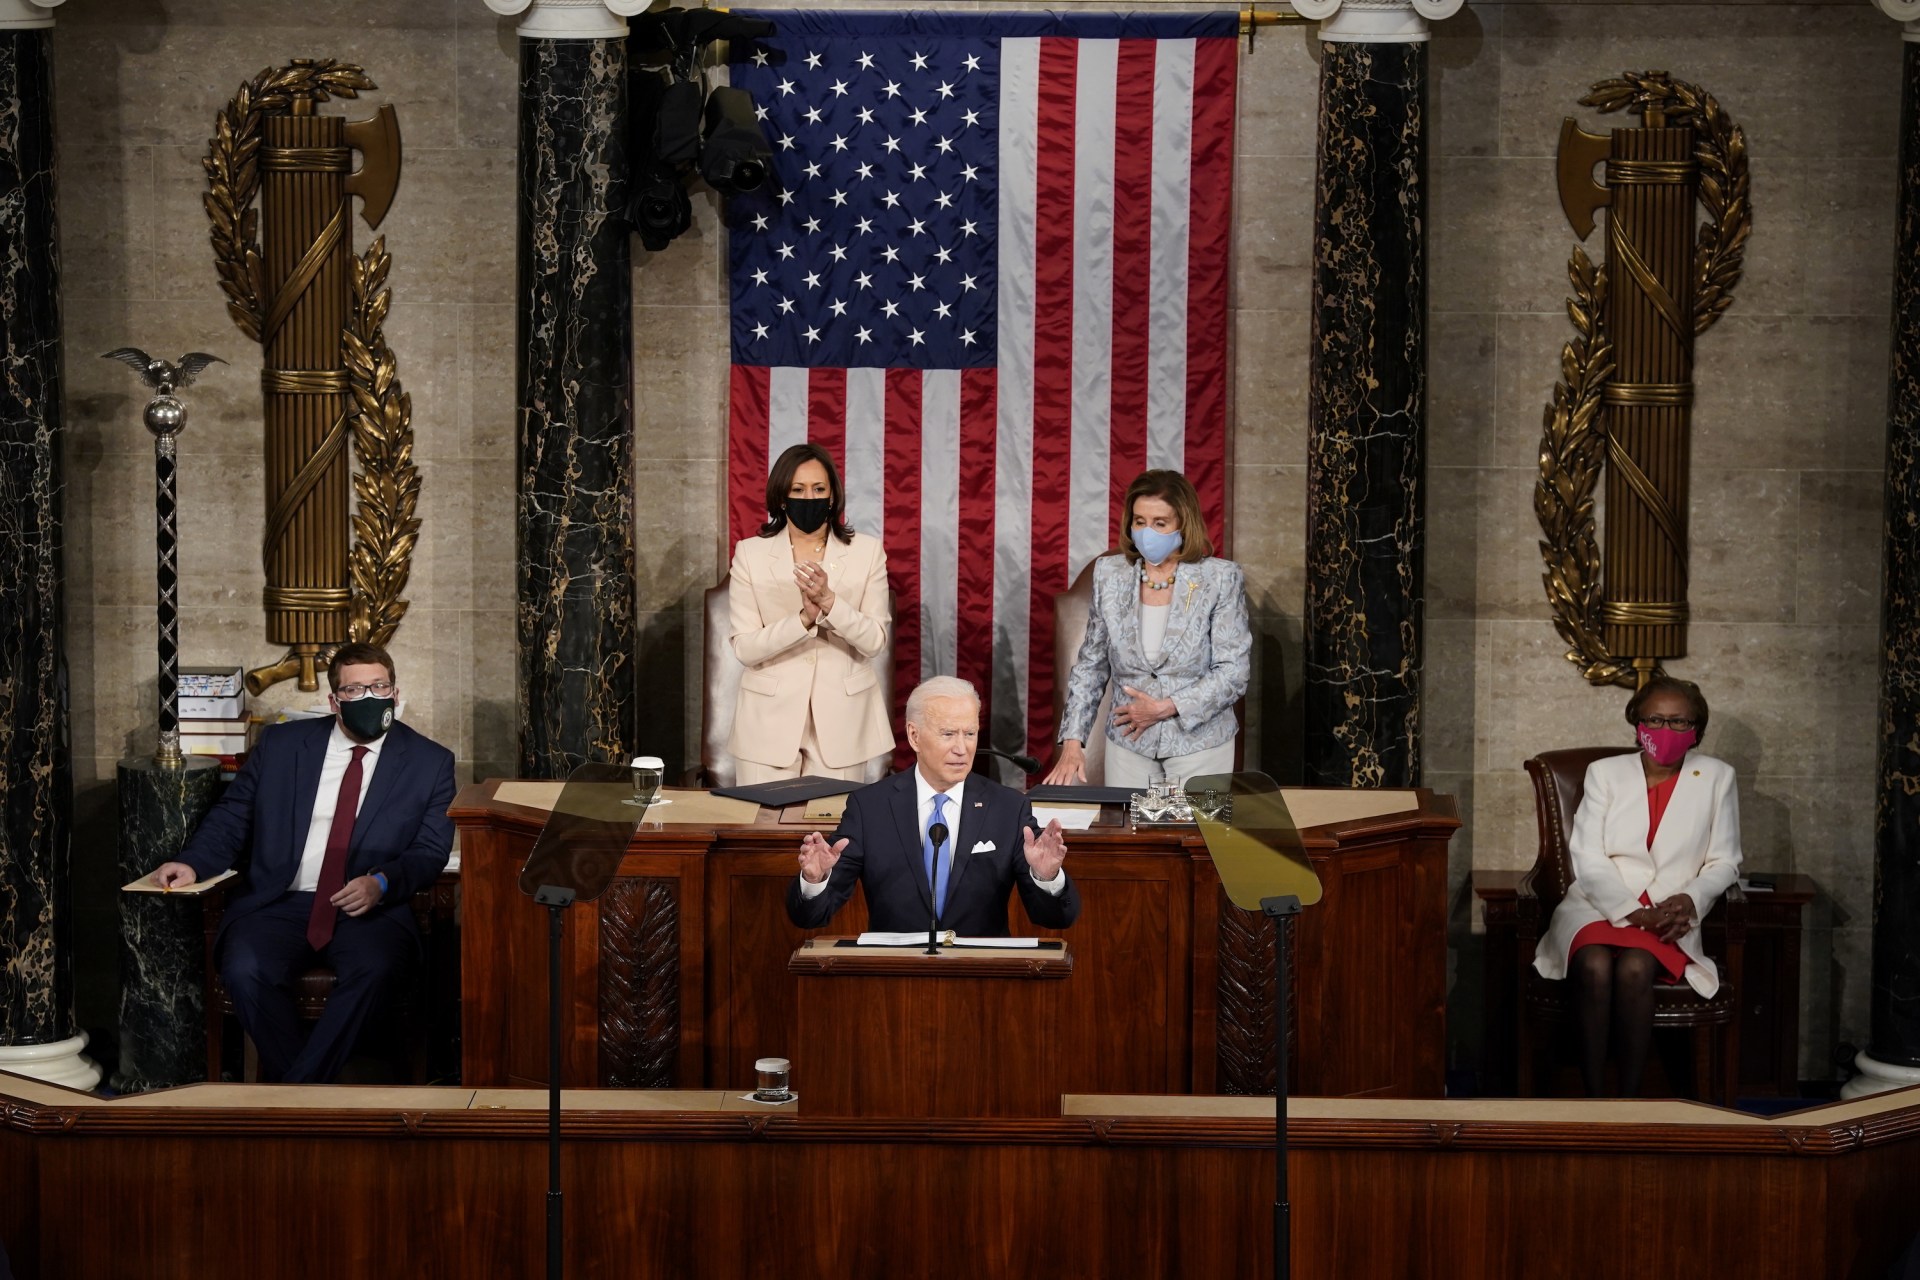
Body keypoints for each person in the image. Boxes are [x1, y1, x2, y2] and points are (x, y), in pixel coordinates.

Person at [150, 642, 456, 1084]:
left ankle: (295, 1095)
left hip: (370, 908)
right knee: (244, 969)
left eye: (379, 686)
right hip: (280, 901)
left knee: (376, 969)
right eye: (354, 690)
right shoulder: (282, 745)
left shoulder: (430, 762)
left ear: (395, 691)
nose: (370, 697)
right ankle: (313, 1093)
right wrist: (193, 864)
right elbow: (234, 816)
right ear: (334, 701)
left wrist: (382, 882)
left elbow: (429, 850)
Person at [1532, 677, 1743, 1097]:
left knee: (1636, 967)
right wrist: (1631, 911)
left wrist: (1690, 900)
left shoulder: (1717, 776)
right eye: (1655, 720)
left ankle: (1628, 1102)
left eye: (1679, 722)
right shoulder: (1605, 773)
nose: (1666, 730)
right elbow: (1588, 856)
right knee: (1593, 964)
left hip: (1669, 913)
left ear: (1697, 729)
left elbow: (1725, 861)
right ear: (1637, 724)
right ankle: (1594, 1099)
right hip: (1598, 904)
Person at [787, 676, 1080, 936]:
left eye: (970, 733)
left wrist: (1047, 877)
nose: (962, 748)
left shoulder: (1008, 808)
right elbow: (811, 916)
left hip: (981, 972)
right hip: (896, 972)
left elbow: (1055, 918)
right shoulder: (870, 808)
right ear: (914, 736)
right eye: (948, 734)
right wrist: (815, 879)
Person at [1042, 469, 1251, 790]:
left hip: (1201, 743)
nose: (1147, 532)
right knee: (1128, 825)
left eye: (1160, 523)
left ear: (1184, 524)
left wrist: (1164, 707)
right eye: (1140, 522)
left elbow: (1233, 672)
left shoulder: (1220, 579)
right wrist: (1073, 741)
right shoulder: (1109, 575)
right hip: (1129, 743)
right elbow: (1091, 666)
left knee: (1197, 826)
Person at [728, 442, 892, 783]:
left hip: (843, 724)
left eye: (819, 489)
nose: (809, 497)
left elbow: (875, 641)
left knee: (835, 820)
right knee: (761, 818)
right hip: (767, 725)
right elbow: (745, 648)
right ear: (782, 497)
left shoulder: (867, 552)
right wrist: (802, 620)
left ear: (832, 496)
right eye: (798, 490)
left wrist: (830, 602)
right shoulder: (749, 554)